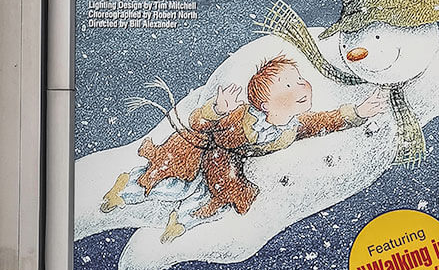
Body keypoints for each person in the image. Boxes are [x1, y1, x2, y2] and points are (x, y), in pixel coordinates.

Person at [100, 57, 384, 242]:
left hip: (226, 160)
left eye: (299, 79)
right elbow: (198, 123)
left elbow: (324, 121)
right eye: (288, 84)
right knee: (175, 183)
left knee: (215, 196)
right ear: (265, 104)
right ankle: (125, 190)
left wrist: (358, 112)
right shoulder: (241, 116)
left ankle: (180, 222)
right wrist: (217, 109)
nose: (301, 86)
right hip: (200, 147)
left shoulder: (292, 125)